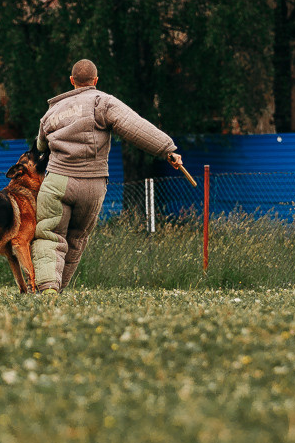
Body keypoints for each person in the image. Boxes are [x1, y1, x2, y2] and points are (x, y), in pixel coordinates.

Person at [31, 59, 182, 293]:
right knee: (76, 239)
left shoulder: (53, 110)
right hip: (92, 185)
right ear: (96, 80)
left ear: (72, 81)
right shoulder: (102, 102)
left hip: (58, 181)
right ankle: (59, 290)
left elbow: (40, 145)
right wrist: (167, 149)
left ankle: (49, 288)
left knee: (49, 237)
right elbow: (136, 127)